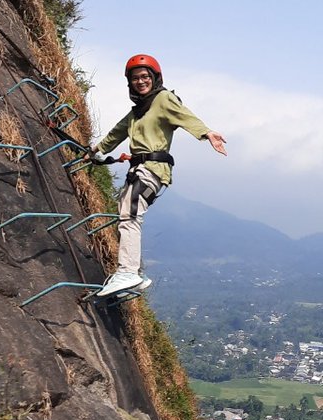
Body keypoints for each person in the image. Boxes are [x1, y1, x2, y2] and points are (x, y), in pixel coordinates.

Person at [88, 54, 226, 297]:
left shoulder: (163, 99)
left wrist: (206, 133)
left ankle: (128, 272)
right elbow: (116, 134)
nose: (140, 81)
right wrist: (94, 151)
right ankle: (137, 275)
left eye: (145, 76)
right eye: (135, 78)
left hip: (151, 168)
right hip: (140, 170)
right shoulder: (137, 113)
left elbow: (184, 114)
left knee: (130, 214)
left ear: (154, 78)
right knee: (126, 212)